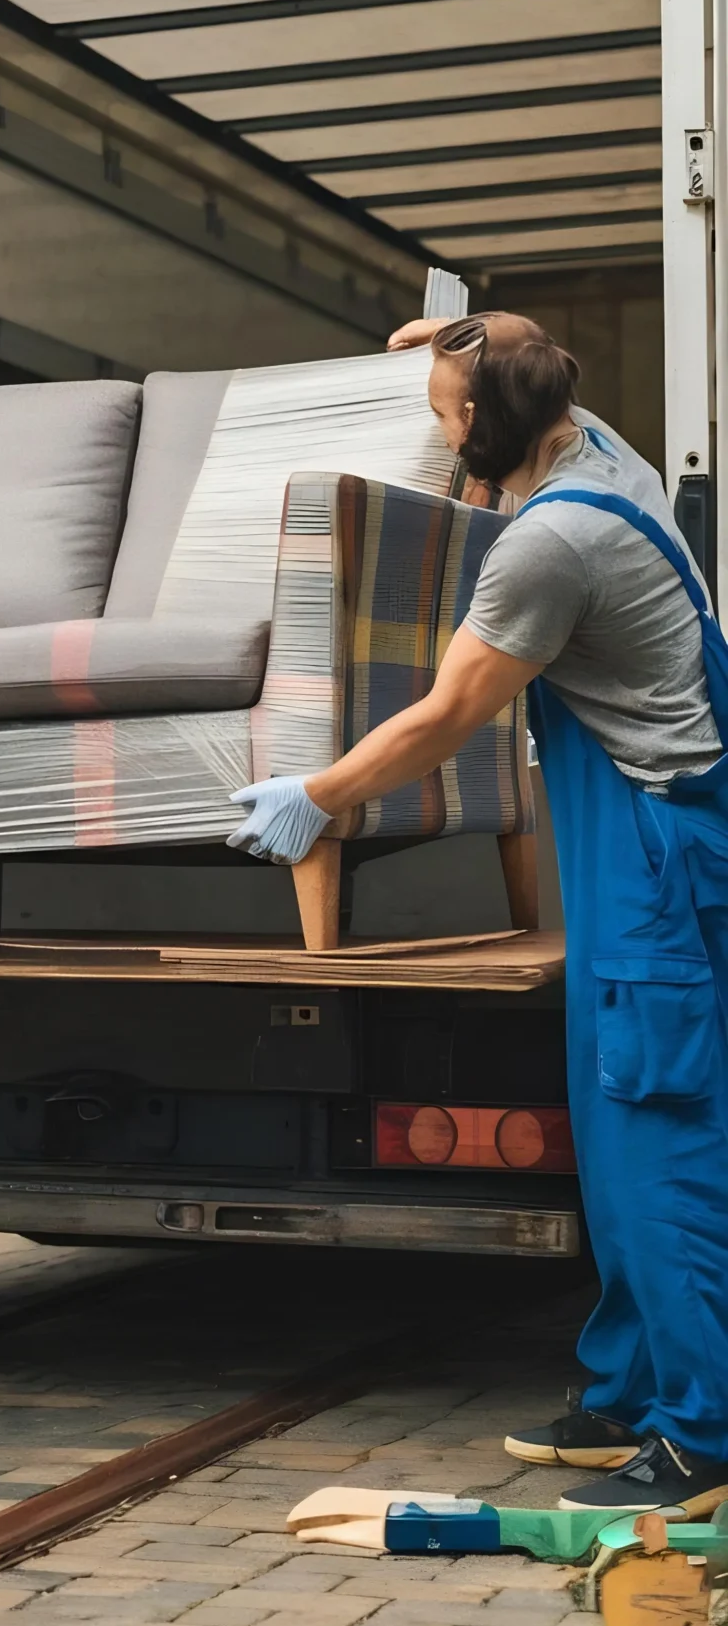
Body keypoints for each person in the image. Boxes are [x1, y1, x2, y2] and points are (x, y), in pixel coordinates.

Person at [229, 311, 728, 1518]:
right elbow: (519, 341)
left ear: (479, 427)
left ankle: (703, 1431)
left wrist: (318, 793)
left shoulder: (546, 546)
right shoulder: (599, 446)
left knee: (657, 1136)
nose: (432, 427)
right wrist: (452, 323)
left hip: (658, 852)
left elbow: (448, 715)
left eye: (442, 409)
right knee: (610, 1144)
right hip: (639, 849)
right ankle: (626, 1390)